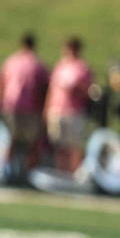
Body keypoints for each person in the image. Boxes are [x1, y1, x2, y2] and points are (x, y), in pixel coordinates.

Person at [0, 33, 48, 177]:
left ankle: (5, 171)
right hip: (31, 107)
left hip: (10, 105)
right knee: (32, 143)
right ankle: (30, 173)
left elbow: (1, 83)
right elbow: (44, 88)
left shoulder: (10, 61)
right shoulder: (37, 64)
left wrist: (0, 103)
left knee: (11, 140)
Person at [45, 36, 93, 173]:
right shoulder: (60, 66)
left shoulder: (82, 68)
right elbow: (51, 89)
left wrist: (76, 88)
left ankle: (72, 172)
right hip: (57, 110)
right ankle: (60, 171)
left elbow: (88, 91)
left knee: (74, 146)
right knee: (59, 145)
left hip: (74, 111)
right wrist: (47, 108)